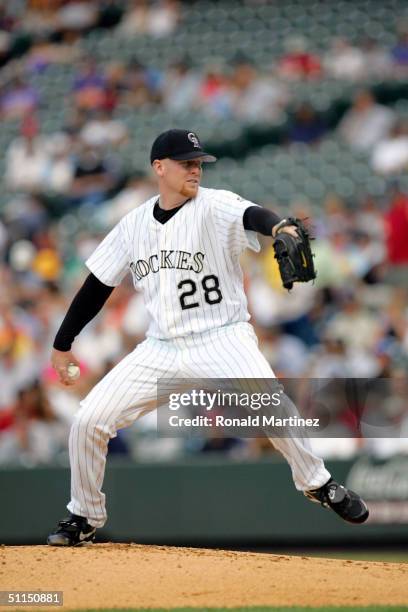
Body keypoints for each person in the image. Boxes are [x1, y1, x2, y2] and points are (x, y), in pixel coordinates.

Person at [47, 129, 369, 546]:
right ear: (159, 167)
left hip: (222, 338)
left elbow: (252, 215)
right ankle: (84, 516)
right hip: (160, 348)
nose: (195, 169)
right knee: (88, 420)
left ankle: (317, 483)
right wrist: (61, 344)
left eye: (199, 162)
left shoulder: (214, 205)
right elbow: (97, 286)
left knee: (274, 405)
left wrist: (279, 228)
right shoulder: (132, 225)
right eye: (186, 162)